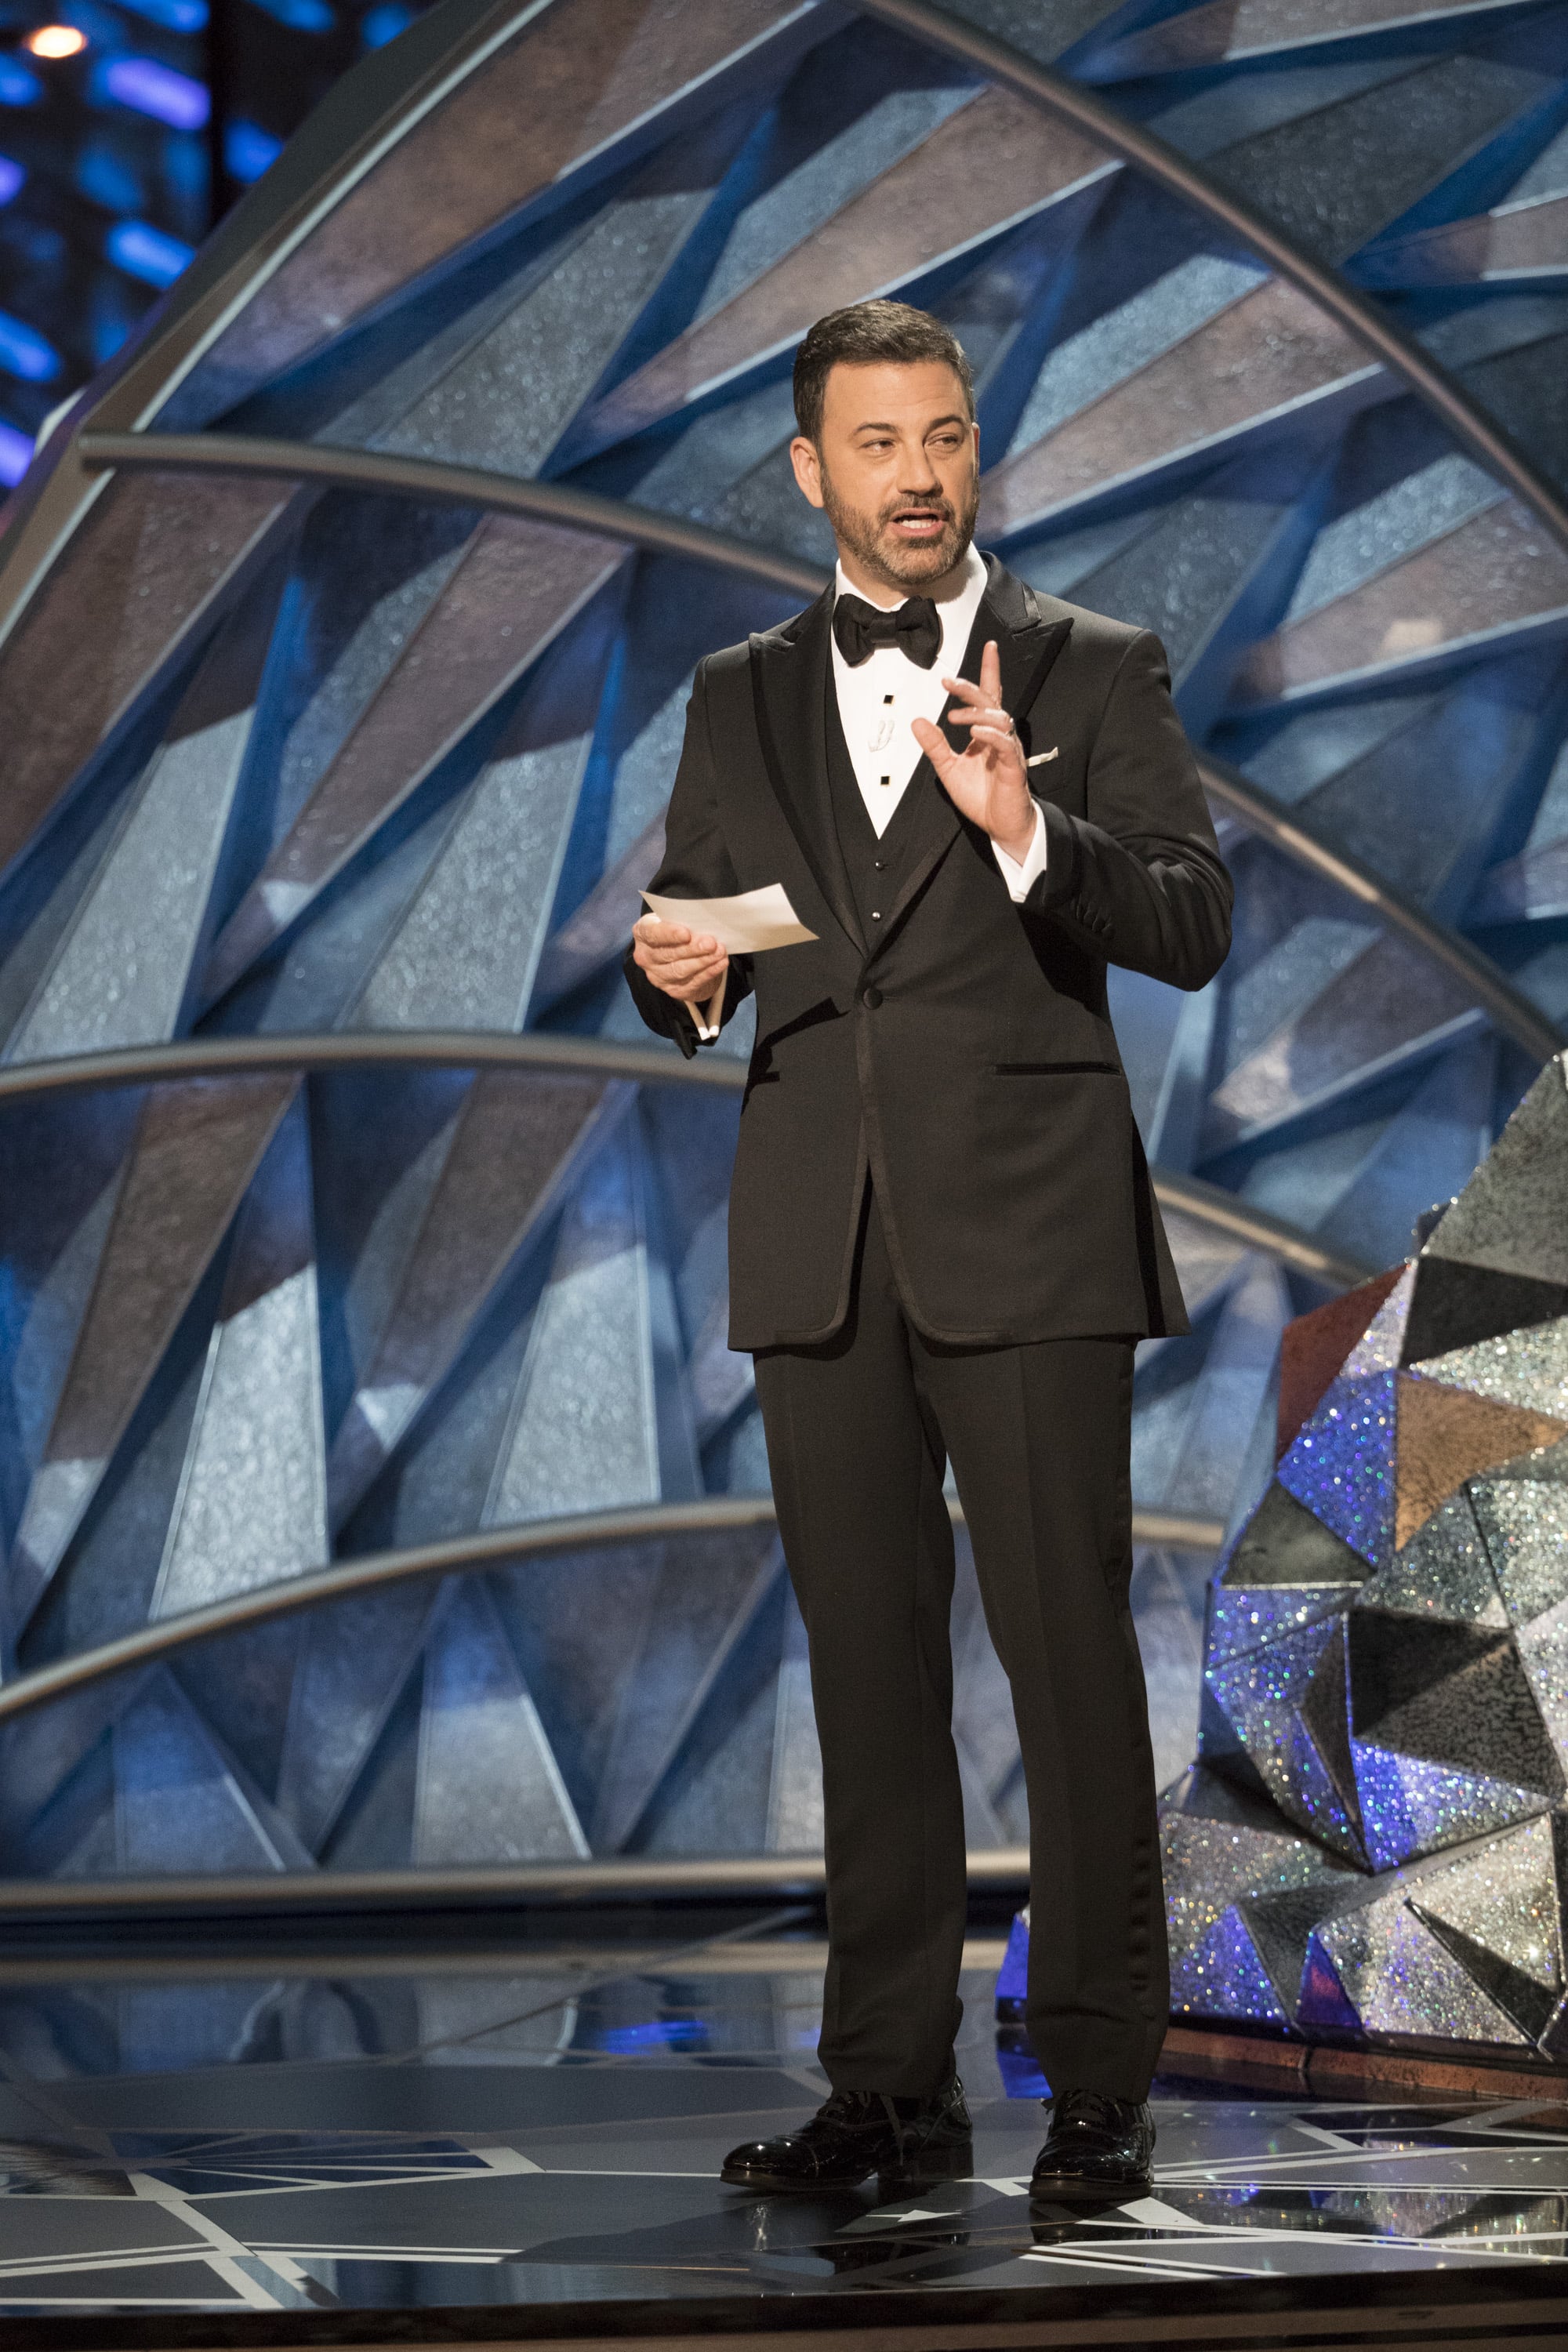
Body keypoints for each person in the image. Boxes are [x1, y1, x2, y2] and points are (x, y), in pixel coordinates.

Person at [623, 299, 1232, 2204]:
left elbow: (1192, 918)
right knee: (862, 1679)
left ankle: (1098, 2085)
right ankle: (883, 2089)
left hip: (1031, 1234)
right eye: (878, 446)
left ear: (977, 451)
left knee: (1065, 1667)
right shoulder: (738, 691)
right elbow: (699, 939)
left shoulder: (1092, 664)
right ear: (812, 470)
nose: (918, 477)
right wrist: (683, 982)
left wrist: (1030, 826)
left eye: (945, 438)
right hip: (820, 1241)